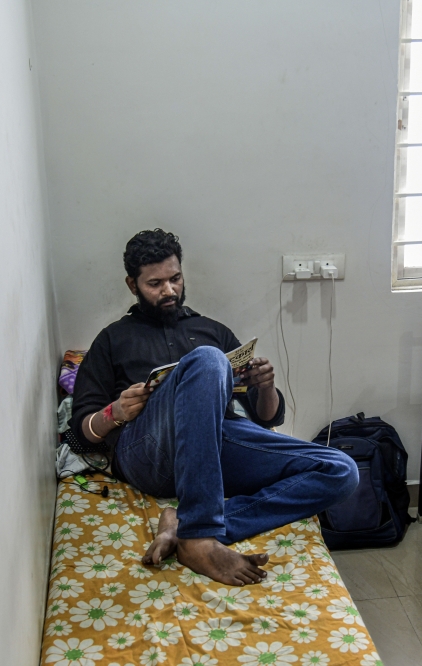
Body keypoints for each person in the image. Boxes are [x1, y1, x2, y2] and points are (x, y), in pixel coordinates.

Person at [70, 229, 358, 586]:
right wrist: (115, 412)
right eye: (155, 283)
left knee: (341, 470)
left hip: (216, 444)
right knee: (208, 360)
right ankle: (200, 537)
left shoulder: (212, 330)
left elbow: (267, 418)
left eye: (175, 279)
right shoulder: (112, 339)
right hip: (150, 451)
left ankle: (184, 523)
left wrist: (265, 386)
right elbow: (80, 433)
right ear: (133, 285)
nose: (169, 291)